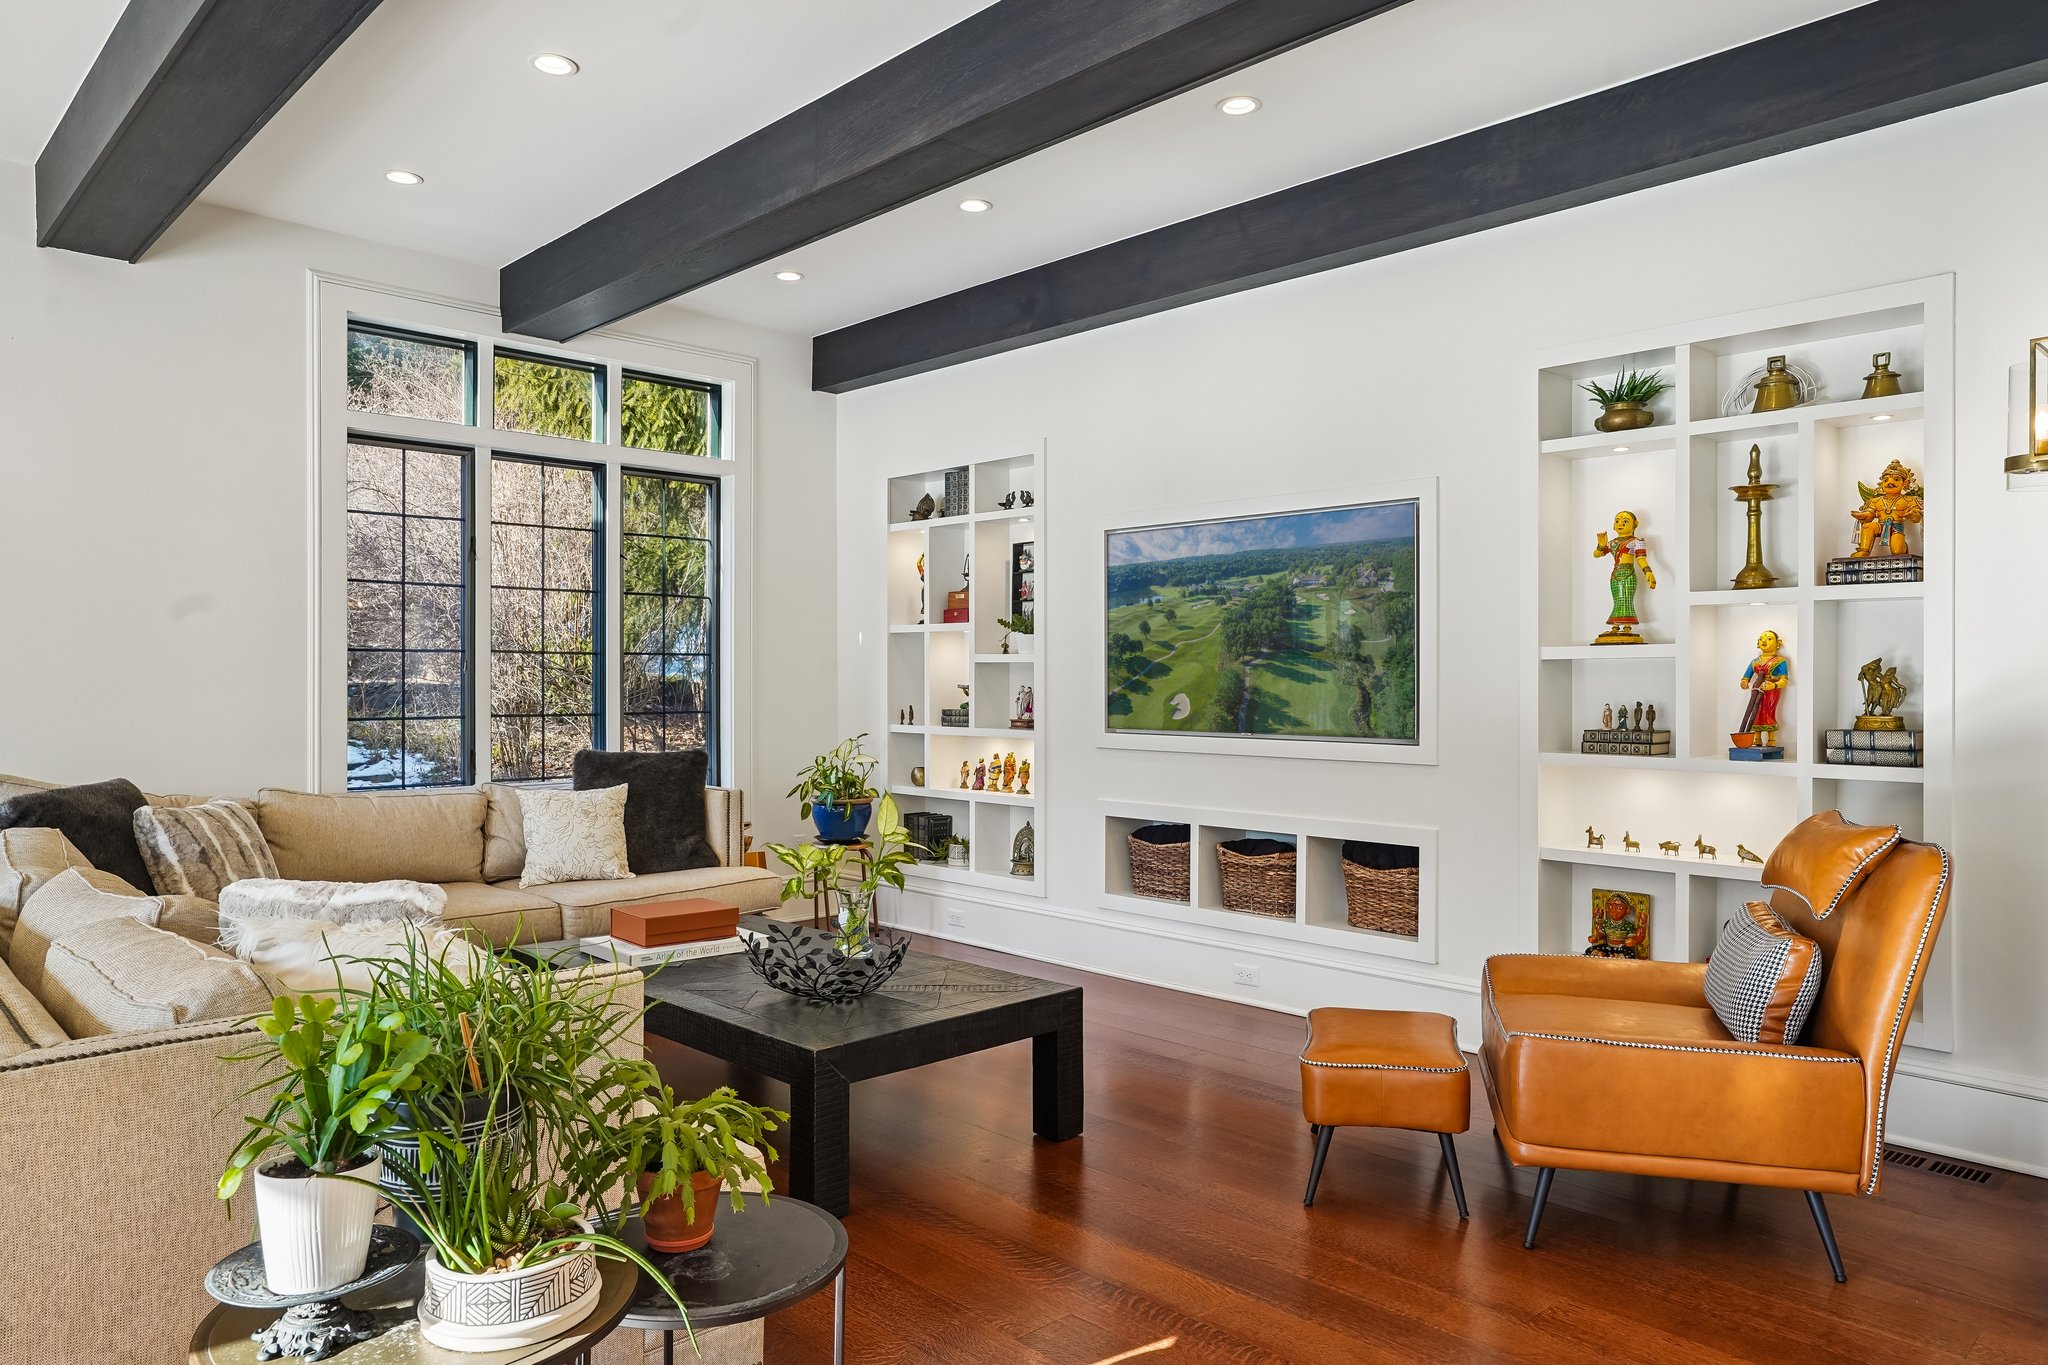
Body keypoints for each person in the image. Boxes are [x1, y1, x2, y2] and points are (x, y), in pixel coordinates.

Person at [1592, 510, 1656, 638]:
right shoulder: (1613, 543)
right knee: (1617, 601)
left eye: (1625, 521)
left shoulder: (1636, 541)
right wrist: (1601, 545)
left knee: (1626, 599)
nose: (1620, 523)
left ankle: (1627, 627)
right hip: (1615, 575)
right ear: (1613, 526)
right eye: (1617, 521)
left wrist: (1648, 572)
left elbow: (1641, 558)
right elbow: (1596, 555)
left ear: (1635, 524)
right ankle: (1615, 626)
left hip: (1628, 574)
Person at [1739, 630, 1791, 738]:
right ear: (1758, 643)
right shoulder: (1754, 662)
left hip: (1771, 690)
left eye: (1769, 638)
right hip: (1756, 689)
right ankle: (1756, 738)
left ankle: (1771, 738)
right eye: (1762, 638)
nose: (1764, 640)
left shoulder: (1780, 661)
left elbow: (1784, 680)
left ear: (1778, 643)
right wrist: (1744, 682)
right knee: (1756, 711)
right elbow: (1746, 677)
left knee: (1768, 711)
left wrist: (1774, 685)